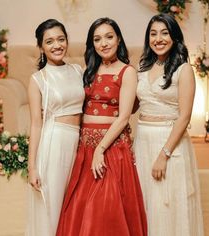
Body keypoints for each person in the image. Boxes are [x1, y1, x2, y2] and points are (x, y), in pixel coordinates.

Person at [56, 17, 147, 236]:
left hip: (111, 149)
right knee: (79, 210)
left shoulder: (127, 71)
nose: (103, 43)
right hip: (86, 149)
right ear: (92, 44)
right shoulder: (88, 71)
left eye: (109, 37)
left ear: (118, 40)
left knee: (105, 213)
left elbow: (124, 116)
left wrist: (100, 149)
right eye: (97, 39)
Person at [134, 13, 204, 236]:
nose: (158, 39)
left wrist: (164, 155)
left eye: (165, 33)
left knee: (168, 203)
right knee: (145, 200)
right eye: (153, 34)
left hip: (169, 142)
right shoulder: (142, 67)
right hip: (142, 140)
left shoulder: (184, 70)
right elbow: (132, 105)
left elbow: (184, 117)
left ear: (175, 37)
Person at [26, 19, 85, 236]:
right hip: (54, 145)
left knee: (74, 205)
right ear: (41, 47)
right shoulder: (38, 79)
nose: (56, 45)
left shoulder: (78, 70)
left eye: (61, 39)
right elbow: (35, 124)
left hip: (79, 144)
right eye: (49, 41)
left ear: (67, 41)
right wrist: (32, 167)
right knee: (52, 207)